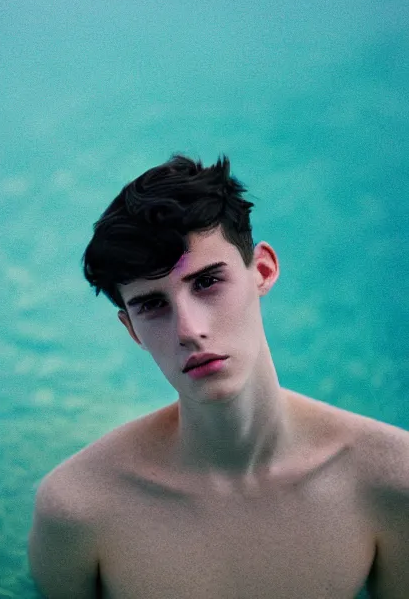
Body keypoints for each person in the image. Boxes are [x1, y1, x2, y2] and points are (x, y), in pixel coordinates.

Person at [28, 154, 409, 598]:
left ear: (262, 270)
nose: (189, 330)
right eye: (152, 305)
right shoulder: (78, 509)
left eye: (207, 282)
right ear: (131, 328)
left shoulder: (390, 479)